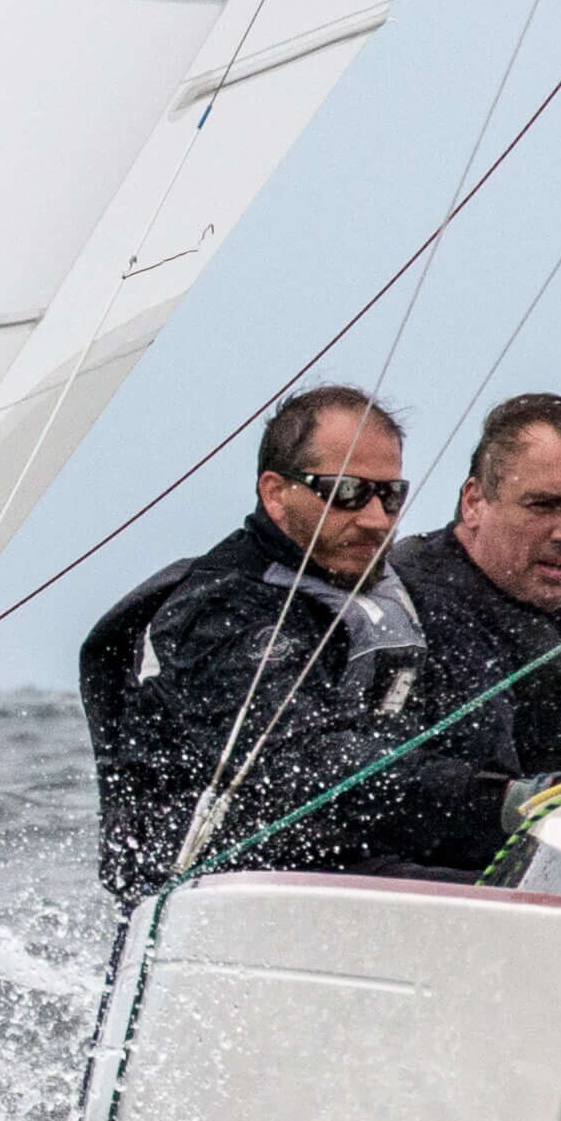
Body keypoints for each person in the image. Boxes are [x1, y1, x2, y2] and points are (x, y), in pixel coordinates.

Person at [80, 386, 452, 903]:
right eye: (344, 490)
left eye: (390, 495)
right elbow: (308, 766)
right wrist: (492, 799)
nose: (375, 519)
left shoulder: (389, 591)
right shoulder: (219, 611)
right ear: (276, 493)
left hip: (353, 873)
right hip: (226, 902)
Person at [385, 393, 561, 872]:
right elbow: (369, 793)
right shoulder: (397, 607)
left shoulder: (558, 624)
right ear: (474, 501)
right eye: (544, 504)